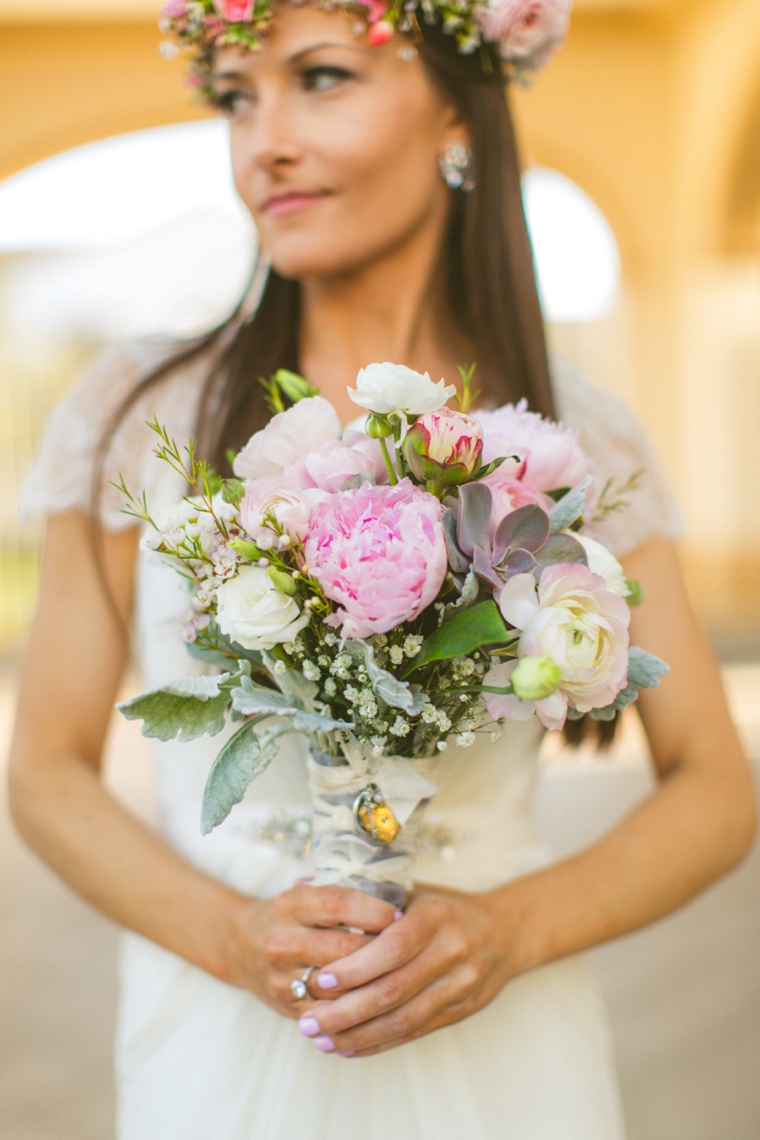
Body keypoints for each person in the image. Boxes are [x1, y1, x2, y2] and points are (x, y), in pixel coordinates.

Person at [9, 1, 755, 1137]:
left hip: (500, 1037)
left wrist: (515, 929)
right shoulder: (134, 416)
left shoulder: (575, 443)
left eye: (318, 77)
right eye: (232, 96)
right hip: (221, 1037)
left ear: (459, 102)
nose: (262, 143)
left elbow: (714, 786)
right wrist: (227, 936)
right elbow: (48, 770)